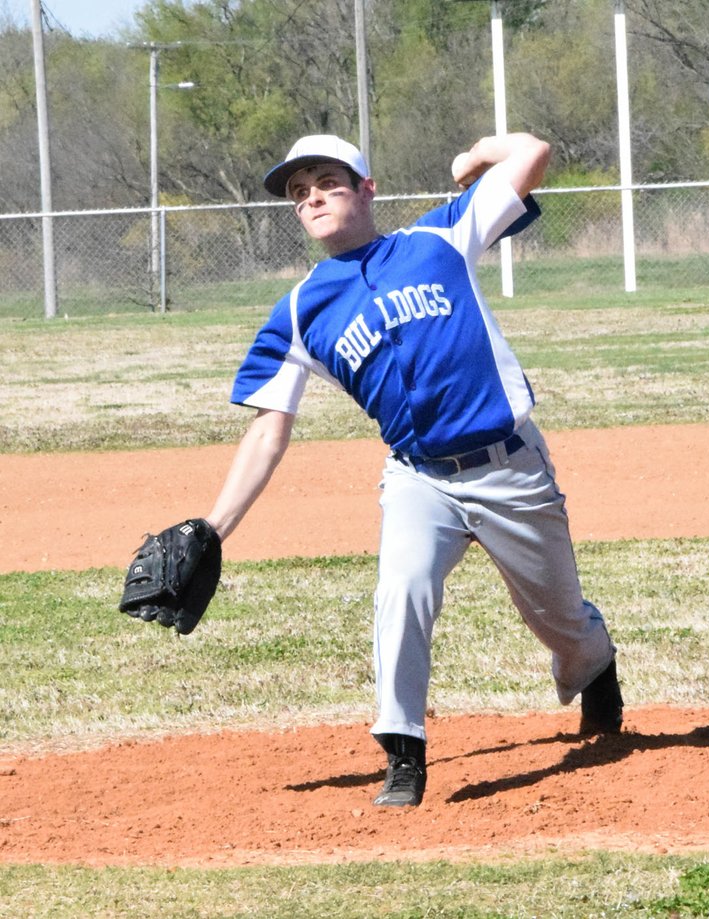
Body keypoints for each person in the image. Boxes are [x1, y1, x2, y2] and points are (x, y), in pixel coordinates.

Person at [204, 132, 623, 808]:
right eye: (298, 191)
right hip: (417, 478)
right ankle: (404, 750)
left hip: (508, 466)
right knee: (401, 589)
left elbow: (536, 153)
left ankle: (592, 664)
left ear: (367, 189)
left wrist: (477, 155)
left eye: (327, 181)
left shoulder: (441, 238)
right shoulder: (299, 313)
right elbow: (267, 431)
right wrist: (213, 528)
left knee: (558, 619)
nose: (311, 196)